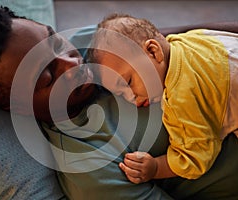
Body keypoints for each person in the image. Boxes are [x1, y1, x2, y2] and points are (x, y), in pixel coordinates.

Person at [0, 4, 238, 200]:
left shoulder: (91, 45)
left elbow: (186, 42)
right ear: (15, 107)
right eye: (48, 76)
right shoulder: (88, 164)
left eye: (56, 41)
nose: (74, 64)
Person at [88, 13, 238, 183]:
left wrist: (156, 168)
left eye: (128, 82)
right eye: (121, 94)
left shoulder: (179, 99)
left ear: (153, 51)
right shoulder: (188, 39)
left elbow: (195, 158)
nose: (132, 98)